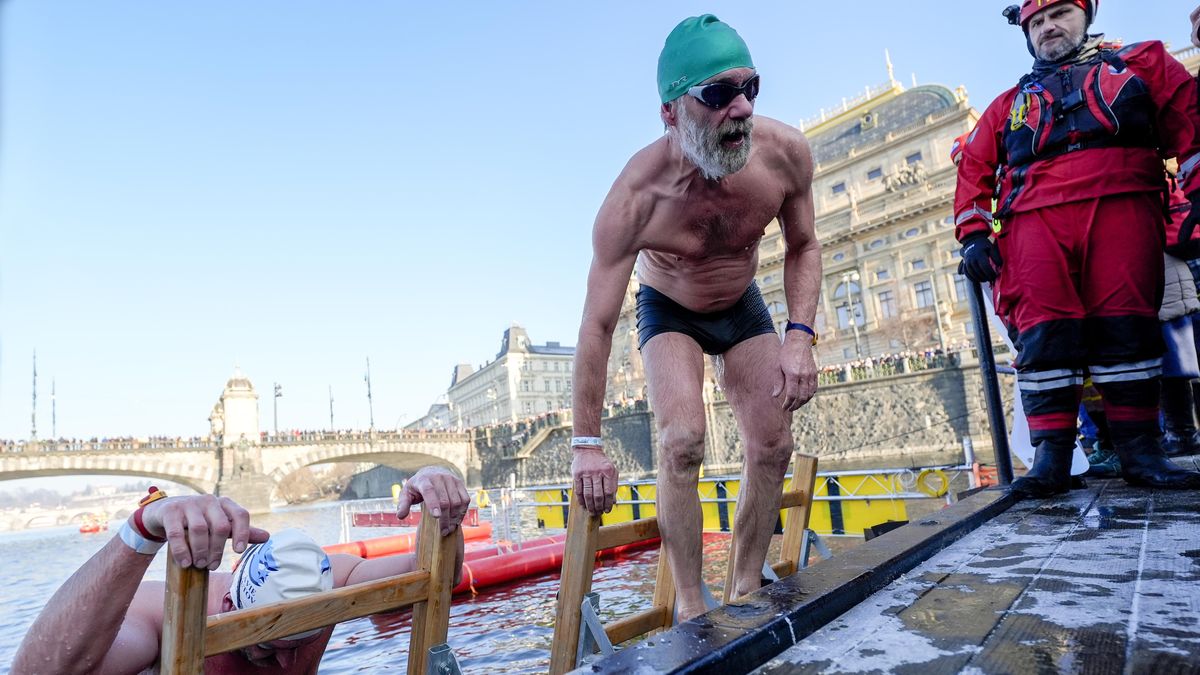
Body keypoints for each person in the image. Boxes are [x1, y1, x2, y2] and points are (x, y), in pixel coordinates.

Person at [569, 14, 820, 621]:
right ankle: (688, 602)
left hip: (741, 300)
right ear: (671, 113)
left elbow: (803, 245)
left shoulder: (783, 156)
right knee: (682, 440)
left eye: (749, 88)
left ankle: (744, 583)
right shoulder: (636, 199)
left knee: (773, 441)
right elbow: (597, 325)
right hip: (669, 306)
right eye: (717, 95)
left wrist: (799, 337)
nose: (740, 108)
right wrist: (586, 444)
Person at [956, 0, 1200, 496]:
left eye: (1060, 14)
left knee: (1127, 327)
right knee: (1045, 335)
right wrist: (975, 233)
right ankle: (1051, 459)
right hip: (1033, 223)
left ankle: (1141, 450)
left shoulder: (1143, 64)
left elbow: (1190, 126)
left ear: (1086, 16)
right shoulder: (1007, 104)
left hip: (1123, 207)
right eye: (1037, 22)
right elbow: (975, 168)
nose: (1048, 26)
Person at [12, 466, 470, 674]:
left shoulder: (333, 581)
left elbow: (436, 578)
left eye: (302, 640)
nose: (288, 663)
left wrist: (439, 500)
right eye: (267, 648)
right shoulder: (166, 614)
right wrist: (140, 533)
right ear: (229, 605)